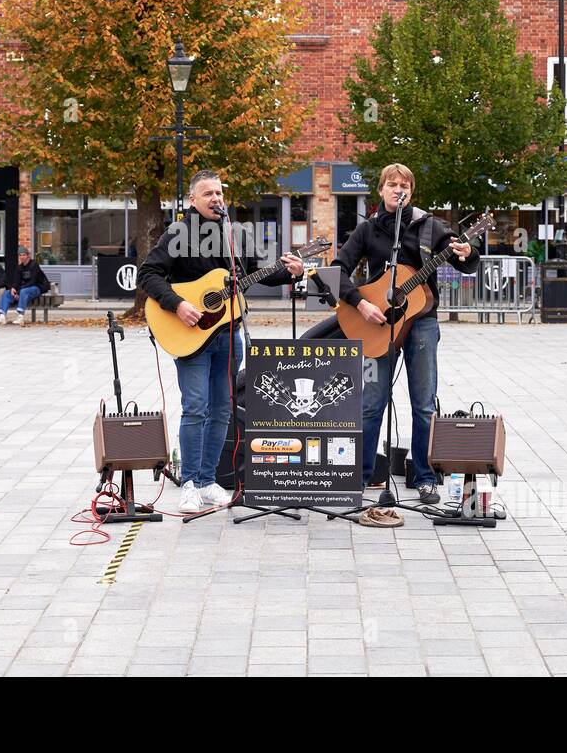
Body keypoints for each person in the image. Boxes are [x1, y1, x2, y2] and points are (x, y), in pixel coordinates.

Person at [139, 170, 305, 513]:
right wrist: (179, 304)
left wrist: (289, 272)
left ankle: (207, 480)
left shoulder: (232, 234)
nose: (216, 198)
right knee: (195, 408)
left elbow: (251, 277)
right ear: (192, 201)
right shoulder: (178, 232)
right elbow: (147, 274)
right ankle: (188, 483)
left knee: (222, 411)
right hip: (192, 335)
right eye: (208, 193)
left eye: (219, 192)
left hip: (229, 334)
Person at [333, 164, 481, 507]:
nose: (399, 190)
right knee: (371, 403)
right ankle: (363, 475)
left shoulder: (430, 227)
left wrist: (468, 252)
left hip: (423, 322)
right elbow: (338, 269)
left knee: (424, 402)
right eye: (392, 184)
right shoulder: (368, 230)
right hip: (378, 323)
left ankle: (426, 478)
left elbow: (465, 261)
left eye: (405, 185)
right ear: (381, 190)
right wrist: (359, 303)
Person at [0, 245, 51, 325]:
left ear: (28, 255)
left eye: (24, 255)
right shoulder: (19, 268)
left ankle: (21, 317)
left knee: (24, 291)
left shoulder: (34, 265)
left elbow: (33, 282)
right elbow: (16, 282)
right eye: (20, 255)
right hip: (24, 290)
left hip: (37, 288)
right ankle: (2, 316)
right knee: (7, 293)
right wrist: (13, 289)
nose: (22, 257)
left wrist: (19, 292)